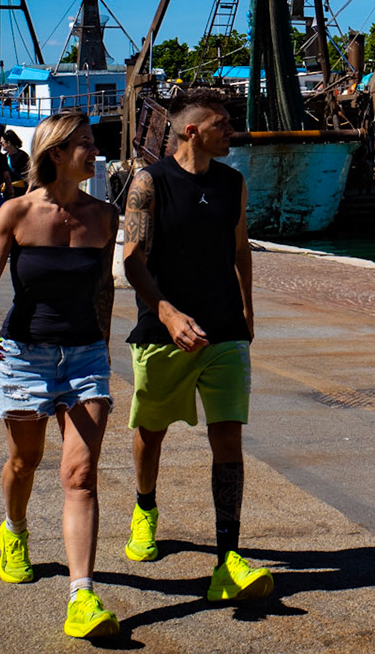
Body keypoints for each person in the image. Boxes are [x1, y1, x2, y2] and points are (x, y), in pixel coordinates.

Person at [0, 111, 121, 640]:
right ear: (55, 153)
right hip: (23, 355)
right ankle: (14, 530)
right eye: (84, 144)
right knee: (24, 460)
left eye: (93, 143)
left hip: (85, 358)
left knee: (79, 476)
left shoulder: (105, 216)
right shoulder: (15, 212)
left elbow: (104, 288)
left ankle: (82, 595)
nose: (94, 151)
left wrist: (101, 347)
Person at [121, 93, 272, 604]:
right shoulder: (150, 182)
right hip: (163, 332)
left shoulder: (233, 183)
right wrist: (165, 312)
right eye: (222, 123)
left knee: (228, 438)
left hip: (225, 331)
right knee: (151, 430)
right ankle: (145, 509)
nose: (233, 131)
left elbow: (240, 248)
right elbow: (132, 261)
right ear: (191, 131)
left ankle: (228, 557)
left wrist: (249, 311)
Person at [3, 130, 30, 197]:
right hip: (7, 190)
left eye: (2, 143)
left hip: (19, 190)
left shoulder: (22, 156)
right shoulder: (4, 157)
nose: (1, 144)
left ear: (8, 143)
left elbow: (29, 174)